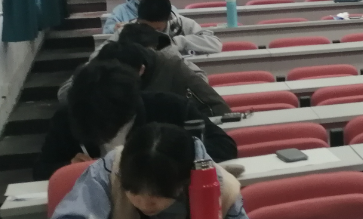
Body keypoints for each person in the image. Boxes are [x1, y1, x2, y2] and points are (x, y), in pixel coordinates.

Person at [35, 122, 255, 219]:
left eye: (159, 194)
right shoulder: (109, 171)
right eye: (132, 190)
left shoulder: (219, 186)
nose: (144, 203)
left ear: (184, 180)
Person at [36, 62, 237, 181]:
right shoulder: (69, 116)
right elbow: (41, 170)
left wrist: (164, 157)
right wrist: (69, 167)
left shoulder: (170, 107)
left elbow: (224, 146)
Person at [59, 33, 228, 117]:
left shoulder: (170, 98)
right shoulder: (93, 73)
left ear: (140, 70)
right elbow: (64, 95)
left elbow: (216, 106)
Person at [125, 0, 221, 55]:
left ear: (169, 18)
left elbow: (215, 45)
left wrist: (176, 42)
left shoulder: (182, 24)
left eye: (157, 29)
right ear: (139, 19)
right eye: (145, 27)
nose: (152, 32)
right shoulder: (129, 29)